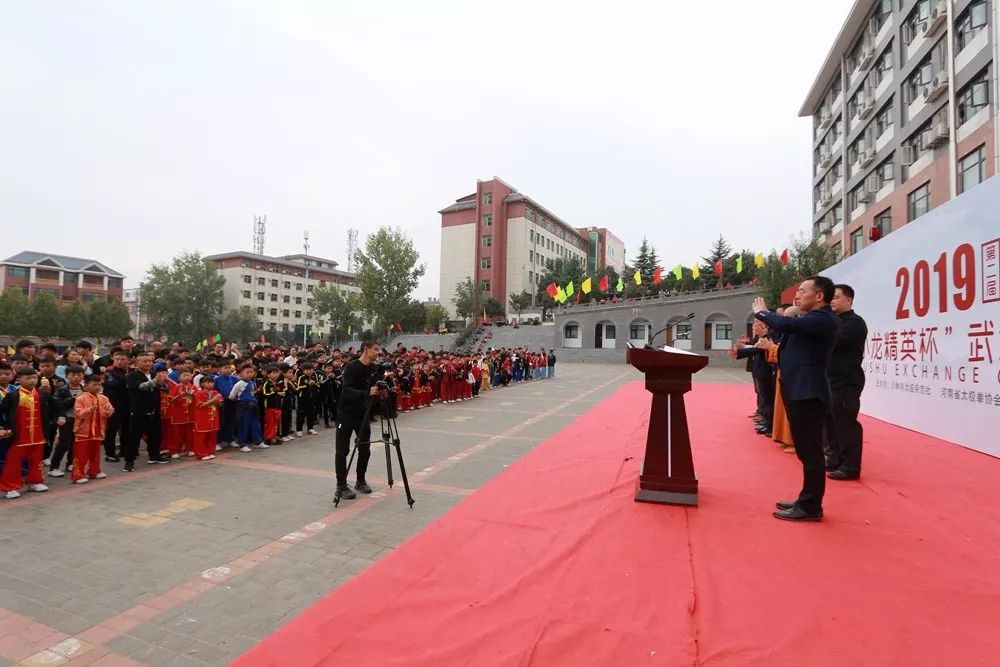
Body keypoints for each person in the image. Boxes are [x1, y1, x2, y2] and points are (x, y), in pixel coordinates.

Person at [753, 275, 841, 522]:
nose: (798, 295)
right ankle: (806, 499)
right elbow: (784, 335)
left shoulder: (824, 319)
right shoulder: (807, 320)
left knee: (811, 453)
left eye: (803, 291)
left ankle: (811, 507)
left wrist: (763, 313)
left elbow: (787, 326)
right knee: (806, 451)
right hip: (798, 391)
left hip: (809, 393)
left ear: (820, 295)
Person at [825, 284, 869, 480]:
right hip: (829, 379)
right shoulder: (834, 321)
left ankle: (851, 466)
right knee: (830, 422)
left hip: (846, 381)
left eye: (835, 297)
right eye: (830, 298)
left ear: (849, 300)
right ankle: (835, 458)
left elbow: (831, 342)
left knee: (845, 422)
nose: (832, 301)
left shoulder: (854, 323)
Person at [335, 340, 382, 500]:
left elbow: (375, 389)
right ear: (366, 350)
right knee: (343, 451)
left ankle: (360, 480)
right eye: (375, 350)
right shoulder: (352, 367)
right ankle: (341, 485)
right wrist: (366, 393)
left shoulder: (374, 369)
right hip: (346, 413)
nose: (378, 352)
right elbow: (346, 390)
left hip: (363, 413)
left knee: (364, 448)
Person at [0, 367, 51, 499]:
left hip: (38, 435)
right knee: (13, 462)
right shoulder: (12, 396)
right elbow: (2, 413)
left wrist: (59, 418)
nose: (32, 380)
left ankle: (34, 482)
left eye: (34, 377)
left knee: (36, 460)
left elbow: (54, 409)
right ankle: (10, 487)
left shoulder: (42, 394)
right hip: (19, 436)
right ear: (19, 379)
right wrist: (3, 427)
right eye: (28, 378)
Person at [124, 354, 171, 471]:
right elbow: (141, 387)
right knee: (134, 438)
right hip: (139, 411)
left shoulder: (155, 374)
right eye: (145, 361)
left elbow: (166, 389)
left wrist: (162, 383)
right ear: (137, 363)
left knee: (156, 435)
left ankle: (154, 456)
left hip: (154, 410)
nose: (148, 363)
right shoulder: (132, 376)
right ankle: (129, 461)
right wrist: (156, 381)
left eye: (150, 361)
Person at [72, 374, 114, 483]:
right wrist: (89, 410)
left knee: (95, 453)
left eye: (99, 384)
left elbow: (110, 410)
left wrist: (108, 412)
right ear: (86, 385)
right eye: (94, 384)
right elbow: (77, 413)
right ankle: (78, 475)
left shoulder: (104, 398)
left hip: (98, 430)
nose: (97, 387)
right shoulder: (80, 398)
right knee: (81, 454)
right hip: (83, 431)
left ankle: (94, 471)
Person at [49, 364, 86, 477]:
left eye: (79, 375)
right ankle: (53, 467)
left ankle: (70, 463)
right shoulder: (61, 390)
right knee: (63, 444)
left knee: (76, 443)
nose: (76, 377)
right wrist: (73, 398)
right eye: (73, 375)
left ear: (83, 376)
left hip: (81, 420)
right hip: (66, 419)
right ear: (66, 376)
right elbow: (58, 405)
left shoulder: (85, 388)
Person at [192, 375, 222, 460]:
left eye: (211, 382)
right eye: (207, 382)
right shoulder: (199, 393)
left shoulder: (215, 392)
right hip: (202, 418)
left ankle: (210, 451)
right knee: (201, 436)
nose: (210, 384)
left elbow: (220, 404)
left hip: (214, 417)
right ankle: (201, 454)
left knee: (212, 436)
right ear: (202, 384)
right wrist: (213, 400)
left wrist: (218, 401)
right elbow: (200, 405)